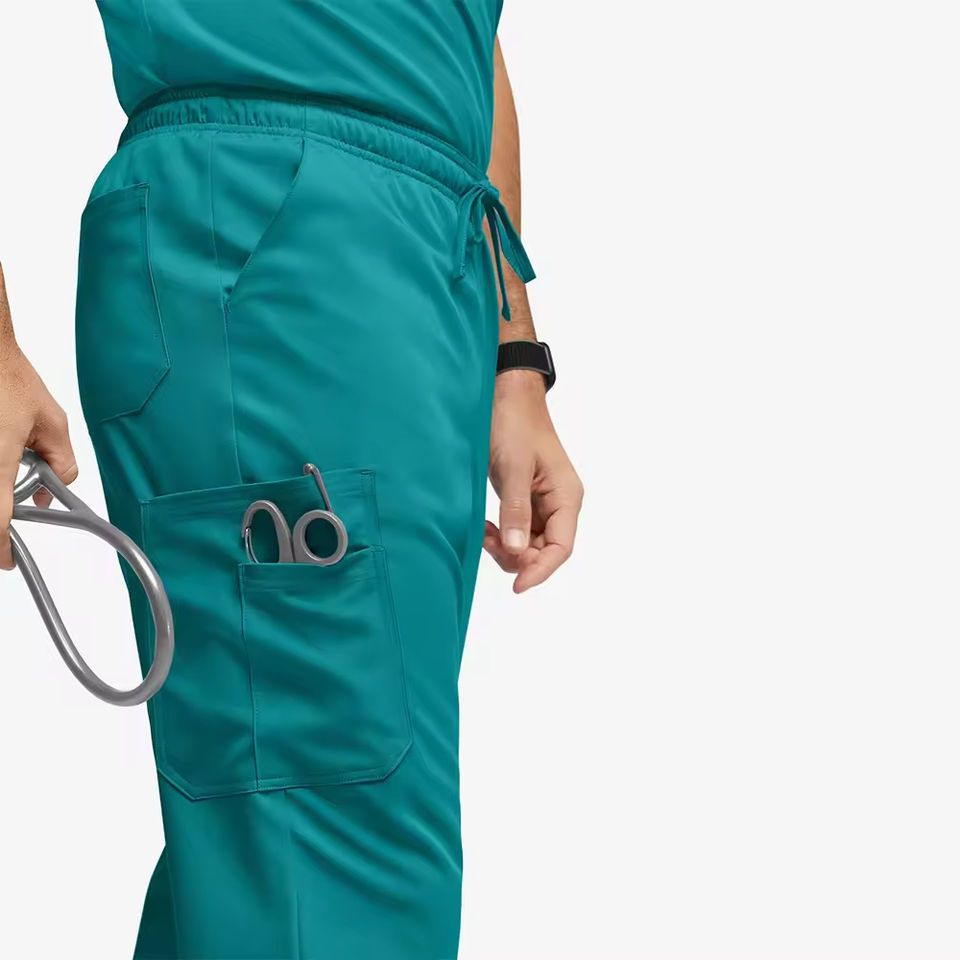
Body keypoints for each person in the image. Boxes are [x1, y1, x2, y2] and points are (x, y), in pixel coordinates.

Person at [0, 2, 583, 957]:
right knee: (336, 851)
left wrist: (513, 358)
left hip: (430, 256)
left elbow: (473, 38)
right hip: (266, 227)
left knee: (291, 846)